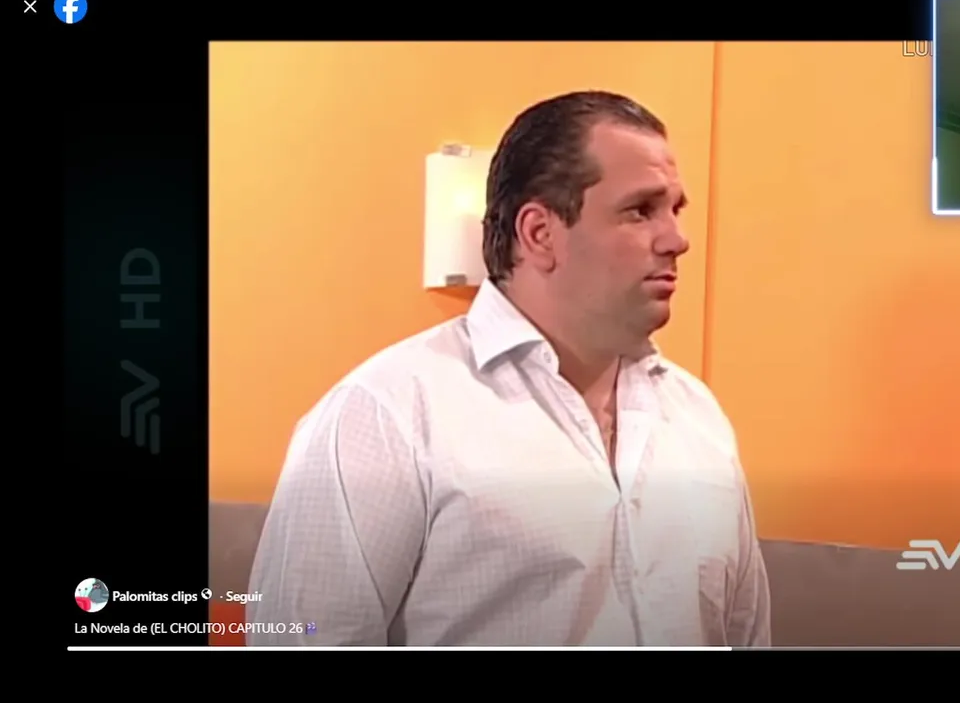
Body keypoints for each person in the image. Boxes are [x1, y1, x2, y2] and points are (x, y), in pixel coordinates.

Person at [245, 91, 772, 647]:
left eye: (675, 210)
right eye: (640, 210)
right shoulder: (386, 416)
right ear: (539, 233)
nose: (677, 240)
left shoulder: (699, 421)